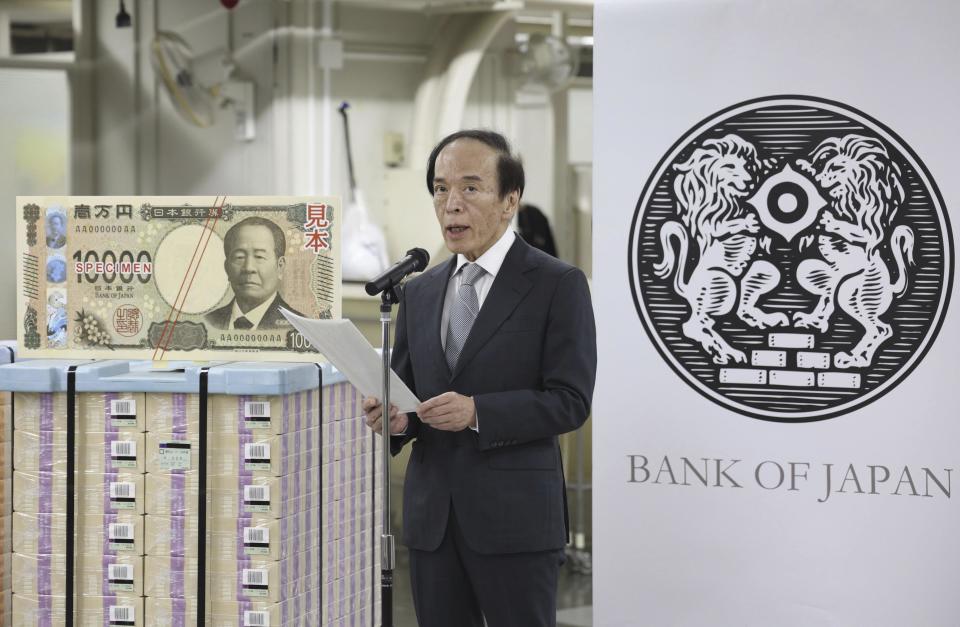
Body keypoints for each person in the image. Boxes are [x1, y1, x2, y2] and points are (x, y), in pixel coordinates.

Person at [362, 129, 597, 627]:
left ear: (510, 200)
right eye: (441, 188)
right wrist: (397, 421)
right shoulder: (419, 292)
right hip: (433, 524)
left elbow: (570, 401)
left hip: (516, 523)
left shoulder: (557, 284)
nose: (451, 204)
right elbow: (410, 398)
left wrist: (478, 413)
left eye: (470, 188)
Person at [205, 216, 302, 330]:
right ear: (227, 268)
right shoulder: (209, 321)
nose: (248, 268)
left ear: (280, 266)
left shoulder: (300, 326)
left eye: (259, 257)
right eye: (239, 257)